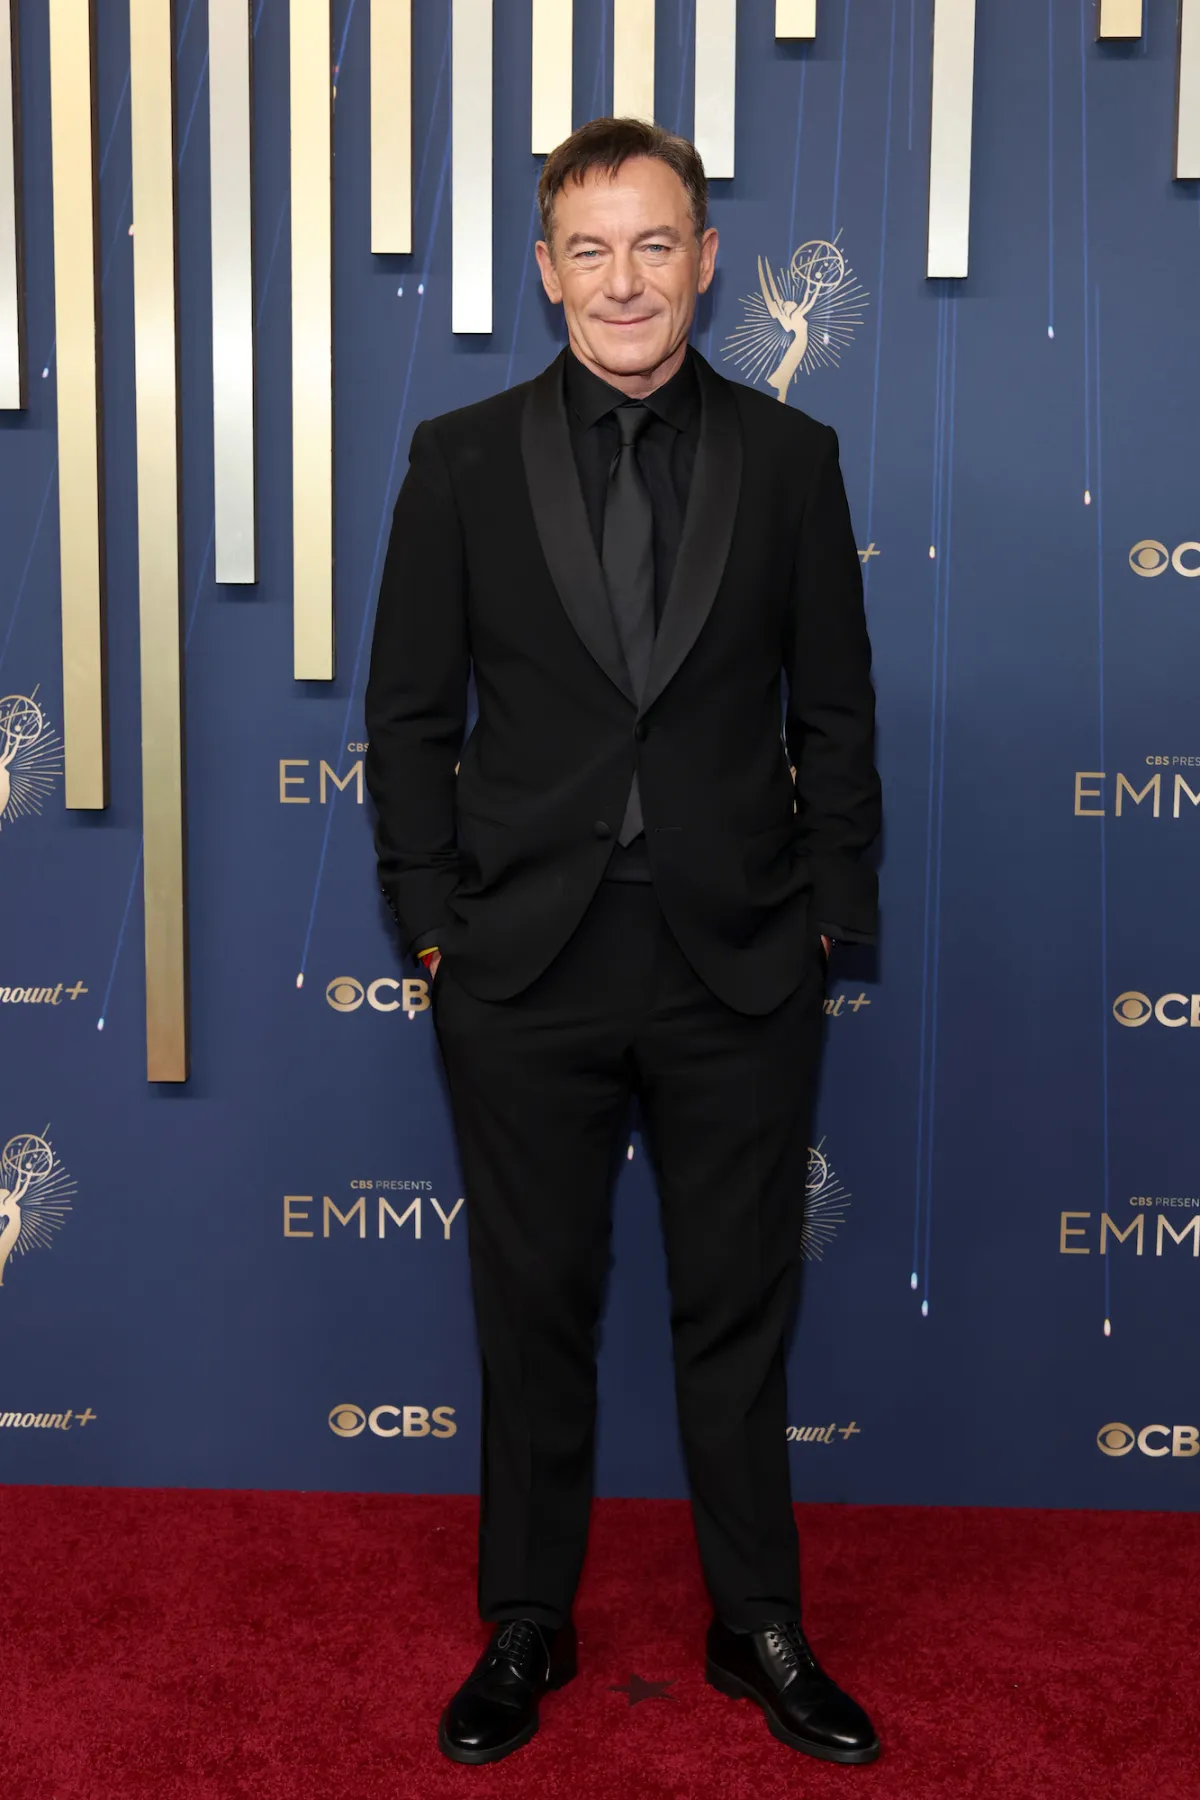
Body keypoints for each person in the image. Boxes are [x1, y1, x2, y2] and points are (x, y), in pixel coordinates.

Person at [364, 116, 883, 1769]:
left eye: (655, 244)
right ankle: (527, 1616)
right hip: (523, 965)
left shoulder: (792, 460)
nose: (625, 280)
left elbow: (838, 714)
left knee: (740, 1305)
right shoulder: (460, 458)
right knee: (533, 1307)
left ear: (706, 260)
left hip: (741, 961)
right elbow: (406, 716)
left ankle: (756, 1622)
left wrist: (828, 925)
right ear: (545, 271)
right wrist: (431, 929)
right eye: (589, 250)